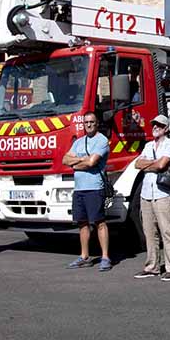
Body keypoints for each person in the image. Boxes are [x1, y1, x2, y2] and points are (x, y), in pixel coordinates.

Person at [132, 114, 170, 280]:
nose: (155, 127)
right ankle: (152, 267)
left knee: (167, 231)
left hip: (162, 193)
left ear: (166, 128)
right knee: (149, 232)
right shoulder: (148, 145)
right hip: (146, 193)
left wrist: (150, 164)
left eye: (159, 125)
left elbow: (162, 164)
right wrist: (154, 163)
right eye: (154, 124)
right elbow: (137, 164)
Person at [63, 111, 111, 271]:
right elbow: (65, 159)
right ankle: (84, 256)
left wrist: (76, 164)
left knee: (99, 223)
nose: (89, 125)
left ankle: (105, 257)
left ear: (97, 123)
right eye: (86, 122)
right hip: (79, 189)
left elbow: (92, 162)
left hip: (94, 188)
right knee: (82, 223)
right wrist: (81, 160)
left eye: (91, 122)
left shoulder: (102, 140)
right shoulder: (79, 142)